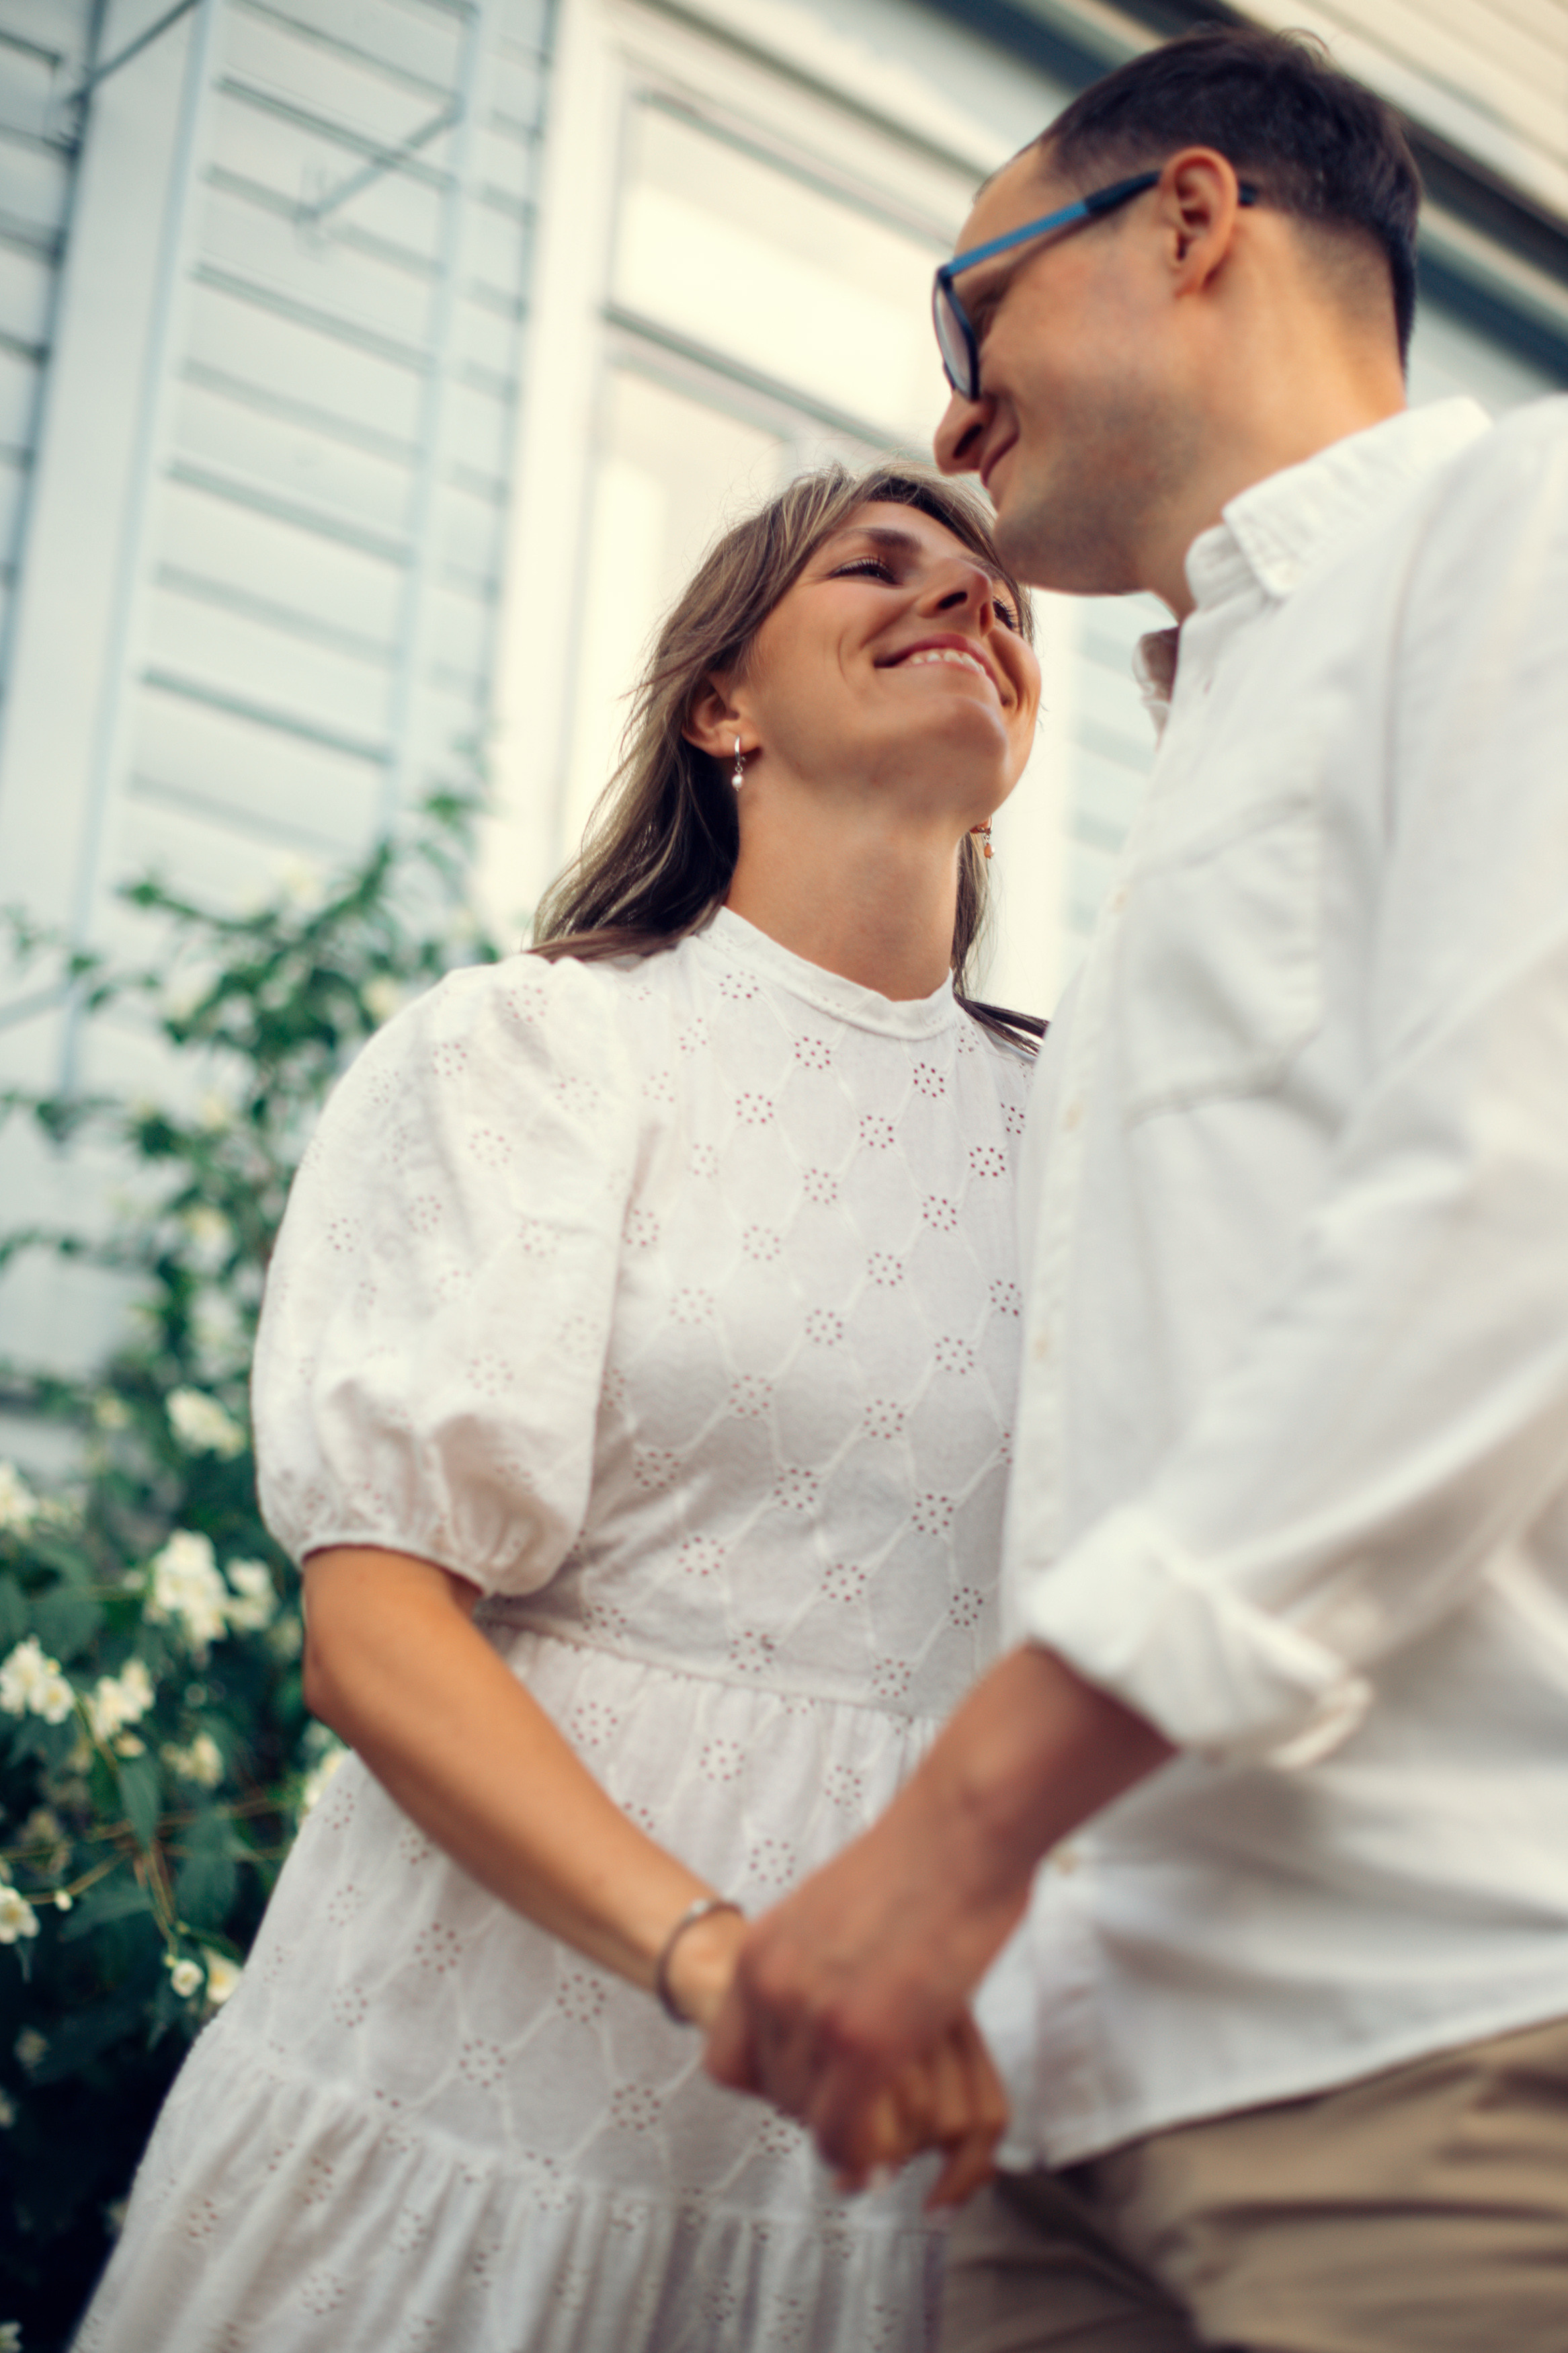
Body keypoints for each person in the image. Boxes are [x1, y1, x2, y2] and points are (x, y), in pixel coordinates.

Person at [707, 28, 1568, 2353]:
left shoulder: (1533, 538)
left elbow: (1510, 1235)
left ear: (1190, 220)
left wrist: (960, 1829)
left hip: (1429, 2048)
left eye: (966, 308)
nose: (952, 412)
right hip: (1064, 2118)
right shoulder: (1185, 782)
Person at [73, 461, 1042, 2353]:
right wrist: (717, 1951)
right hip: (470, 2070)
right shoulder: (539, 1048)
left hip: (866, 2150)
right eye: (882, 566)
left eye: (1006, 598)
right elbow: (373, 1630)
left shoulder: (1081, 1138)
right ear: (723, 705)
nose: (973, 606)